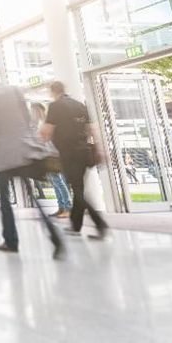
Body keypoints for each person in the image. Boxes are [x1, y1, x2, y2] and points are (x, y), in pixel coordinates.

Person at [0, 66, 64, 259]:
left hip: (4, 154)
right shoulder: (15, 90)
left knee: (4, 198)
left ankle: (11, 241)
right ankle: (54, 236)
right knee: (32, 195)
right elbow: (27, 120)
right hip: (23, 149)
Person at [41, 81, 108, 240]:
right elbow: (91, 131)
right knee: (78, 188)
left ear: (53, 92)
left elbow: (46, 133)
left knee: (77, 191)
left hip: (68, 153)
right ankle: (76, 225)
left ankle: (100, 224)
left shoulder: (55, 106)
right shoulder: (80, 105)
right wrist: (97, 149)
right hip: (84, 152)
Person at [30, 102, 72, 219]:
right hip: (46, 155)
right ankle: (61, 207)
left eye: (34, 111)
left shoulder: (48, 122)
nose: (33, 114)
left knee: (58, 182)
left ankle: (67, 207)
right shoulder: (39, 124)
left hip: (54, 155)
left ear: (39, 110)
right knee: (55, 182)